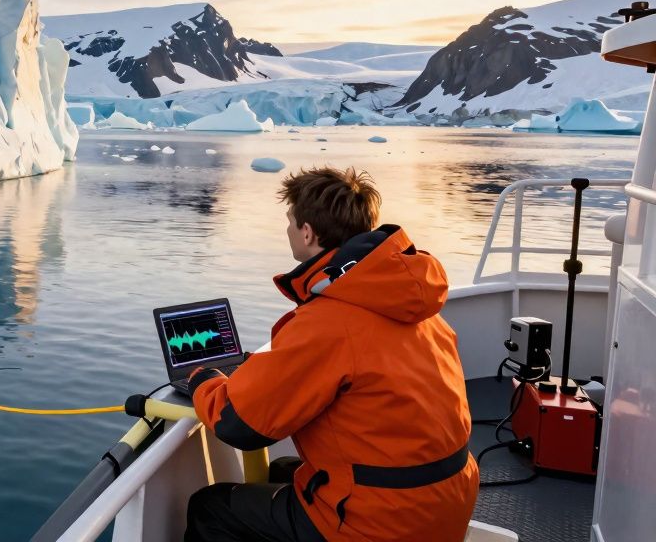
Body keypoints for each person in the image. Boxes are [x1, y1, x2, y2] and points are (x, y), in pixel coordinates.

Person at [184, 166, 478, 542]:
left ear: (307, 232)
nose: (289, 230)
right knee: (287, 469)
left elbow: (240, 425)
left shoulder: (329, 320)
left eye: (290, 221)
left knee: (211, 508)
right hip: (447, 498)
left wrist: (202, 380)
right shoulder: (413, 305)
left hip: (386, 522)